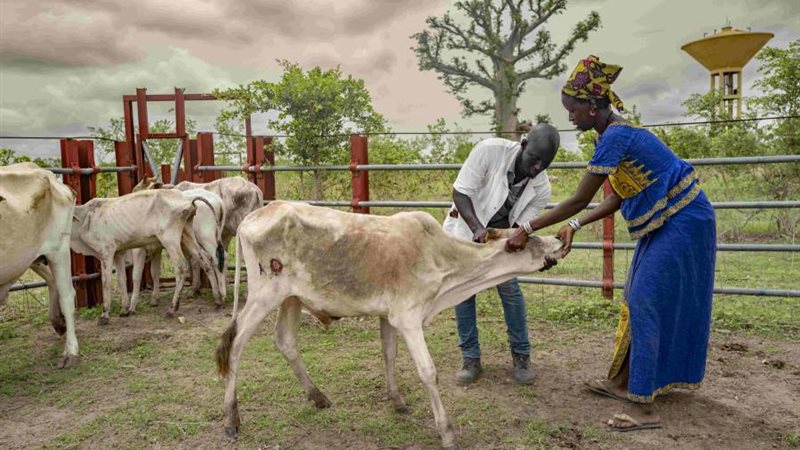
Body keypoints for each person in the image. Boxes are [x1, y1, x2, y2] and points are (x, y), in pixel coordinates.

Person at [506, 55, 717, 431]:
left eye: (573, 110)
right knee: (635, 296)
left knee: (645, 300)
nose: (570, 118)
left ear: (592, 105)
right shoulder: (611, 136)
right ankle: (624, 384)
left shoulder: (617, 136)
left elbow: (579, 198)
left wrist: (527, 226)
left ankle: (645, 408)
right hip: (665, 220)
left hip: (684, 219)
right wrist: (575, 224)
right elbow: (617, 196)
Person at [443, 123, 560, 385]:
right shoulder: (489, 151)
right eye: (534, 159)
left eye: (545, 164)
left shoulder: (542, 189)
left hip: (503, 239)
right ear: (524, 144)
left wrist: (527, 248)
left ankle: (521, 356)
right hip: (467, 228)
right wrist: (476, 229)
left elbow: (521, 228)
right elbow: (461, 192)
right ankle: (470, 359)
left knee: (510, 291)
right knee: (463, 292)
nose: (538, 167)